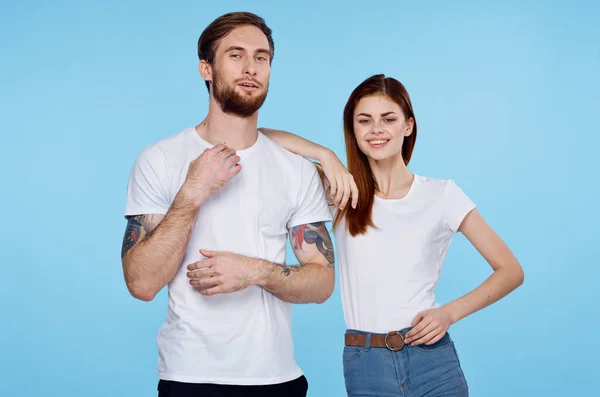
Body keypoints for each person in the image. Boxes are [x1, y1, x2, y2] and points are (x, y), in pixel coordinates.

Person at [260, 74, 525, 396]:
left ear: (408, 126)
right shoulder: (342, 193)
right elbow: (262, 137)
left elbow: (511, 270)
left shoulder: (443, 195)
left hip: (432, 358)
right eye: (364, 120)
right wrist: (326, 155)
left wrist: (449, 313)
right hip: (366, 361)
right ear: (353, 129)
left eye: (388, 119)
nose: (376, 130)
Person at [121, 12, 335, 397]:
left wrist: (254, 271)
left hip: (277, 379)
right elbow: (141, 282)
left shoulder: (296, 169)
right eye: (235, 55)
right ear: (207, 68)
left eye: (262, 57)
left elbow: (322, 282)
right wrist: (192, 194)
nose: (251, 67)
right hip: (189, 379)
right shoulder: (160, 159)